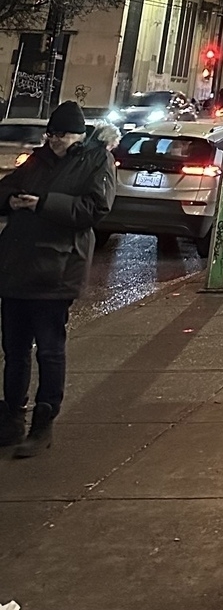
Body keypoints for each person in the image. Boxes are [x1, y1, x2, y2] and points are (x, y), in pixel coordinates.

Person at [0, 101, 116, 456]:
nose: (54, 141)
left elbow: (94, 209)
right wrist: (12, 200)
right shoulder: (37, 159)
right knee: (14, 350)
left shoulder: (97, 161)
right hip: (17, 268)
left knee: (49, 351)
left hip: (57, 271)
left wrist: (42, 203)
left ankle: (43, 422)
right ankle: (11, 418)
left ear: (78, 135)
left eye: (61, 135)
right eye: (51, 134)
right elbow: (5, 189)